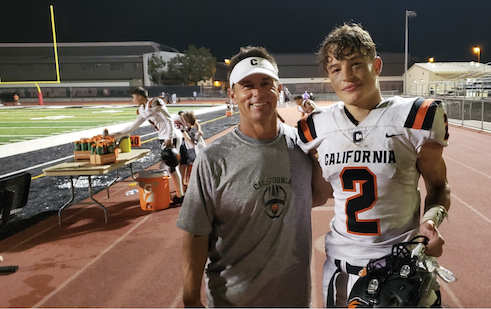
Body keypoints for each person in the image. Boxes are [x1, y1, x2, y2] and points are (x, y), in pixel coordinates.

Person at [297, 23, 451, 307]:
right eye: (336, 69)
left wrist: (431, 221)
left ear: (376, 65)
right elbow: (318, 194)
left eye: (356, 64)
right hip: (341, 270)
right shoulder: (316, 128)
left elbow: (439, 186)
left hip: (400, 266)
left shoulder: (415, 117)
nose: (347, 76)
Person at [176, 46, 331, 307]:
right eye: (246, 85)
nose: (257, 93)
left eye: (265, 83)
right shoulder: (214, 159)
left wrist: (321, 159)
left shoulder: (303, 145)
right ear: (232, 94)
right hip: (234, 301)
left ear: (278, 89)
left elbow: (317, 197)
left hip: (293, 299)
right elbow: (195, 232)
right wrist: (191, 298)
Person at [110, 87, 185, 205]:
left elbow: (168, 119)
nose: (133, 100)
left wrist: (169, 137)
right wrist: (115, 135)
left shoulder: (154, 103)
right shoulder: (142, 109)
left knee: (172, 167)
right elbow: (132, 127)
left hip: (172, 137)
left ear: (139, 96)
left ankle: (180, 195)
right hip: (163, 137)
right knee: (171, 168)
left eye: (134, 98)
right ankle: (178, 194)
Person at [173, 110, 202, 192]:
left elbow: (195, 123)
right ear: (185, 121)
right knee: (183, 162)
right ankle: (181, 184)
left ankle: (187, 182)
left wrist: (199, 130)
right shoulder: (177, 121)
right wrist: (193, 144)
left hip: (185, 138)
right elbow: (184, 135)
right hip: (177, 139)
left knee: (190, 160)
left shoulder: (188, 115)